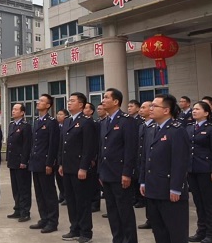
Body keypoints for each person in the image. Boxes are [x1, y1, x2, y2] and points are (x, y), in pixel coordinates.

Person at [140, 93, 190, 243]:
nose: (151, 108)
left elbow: (180, 162)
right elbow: (145, 158)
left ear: (166, 110)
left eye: (154, 106)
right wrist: (143, 181)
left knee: (176, 232)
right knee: (159, 231)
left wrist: (176, 188)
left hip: (169, 190)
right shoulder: (151, 129)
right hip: (153, 188)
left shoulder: (177, 130)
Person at [98, 88, 139, 243]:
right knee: (112, 211)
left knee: (124, 211)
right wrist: (100, 172)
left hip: (120, 173)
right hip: (107, 174)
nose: (103, 100)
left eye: (106, 97)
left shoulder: (127, 121)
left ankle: (130, 240)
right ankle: (118, 239)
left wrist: (127, 173)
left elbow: (130, 149)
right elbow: (102, 149)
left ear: (116, 101)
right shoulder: (105, 122)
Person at [59, 92, 97, 243]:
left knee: (82, 201)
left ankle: (86, 232)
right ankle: (74, 229)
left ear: (81, 104)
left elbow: (89, 147)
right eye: (69, 100)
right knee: (71, 200)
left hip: (79, 168)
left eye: (72, 101)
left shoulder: (86, 122)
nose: (69, 103)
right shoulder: (67, 121)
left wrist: (84, 167)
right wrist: (61, 163)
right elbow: (63, 145)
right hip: (67, 167)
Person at [187, 101, 212, 243]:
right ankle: (201, 231)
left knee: (209, 204)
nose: (194, 111)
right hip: (192, 170)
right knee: (198, 202)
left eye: (197, 109)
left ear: (206, 113)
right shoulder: (190, 127)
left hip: (206, 170)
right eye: (193, 109)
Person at [27, 94, 60, 233]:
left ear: (48, 105)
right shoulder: (36, 121)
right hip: (35, 162)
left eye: (41, 101)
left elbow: (53, 144)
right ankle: (44, 218)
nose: (38, 102)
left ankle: (52, 221)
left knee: (49, 194)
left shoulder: (52, 122)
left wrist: (49, 163)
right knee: (39, 193)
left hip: (45, 163)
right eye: (38, 100)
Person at [6, 102, 32, 222]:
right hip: (13, 160)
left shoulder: (26, 126)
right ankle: (17, 209)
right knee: (15, 187)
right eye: (13, 109)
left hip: (21, 161)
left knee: (23, 187)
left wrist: (24, 161)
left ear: (22, 112)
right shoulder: (11, 125)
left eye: (16, 109)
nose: (13, 111)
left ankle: (25, 212)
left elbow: (27, 145)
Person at [136, 100, 154, 230]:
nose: (141, 110)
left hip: (152, 164)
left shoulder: (155, 125)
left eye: (143, 107)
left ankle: (154, 219)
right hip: (142, 162)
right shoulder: (142, 125)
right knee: (145, 192)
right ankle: (150, 219)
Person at [55, 108, 69, 205]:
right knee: (58, 178)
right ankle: (62, 194)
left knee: (64, 178)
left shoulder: (67, 126)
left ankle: (67, 196)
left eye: (61, 114)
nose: (58, 116)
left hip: (65, 156)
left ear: (66, 116)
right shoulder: (56, 126)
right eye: (58, 114)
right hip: (57, 155)